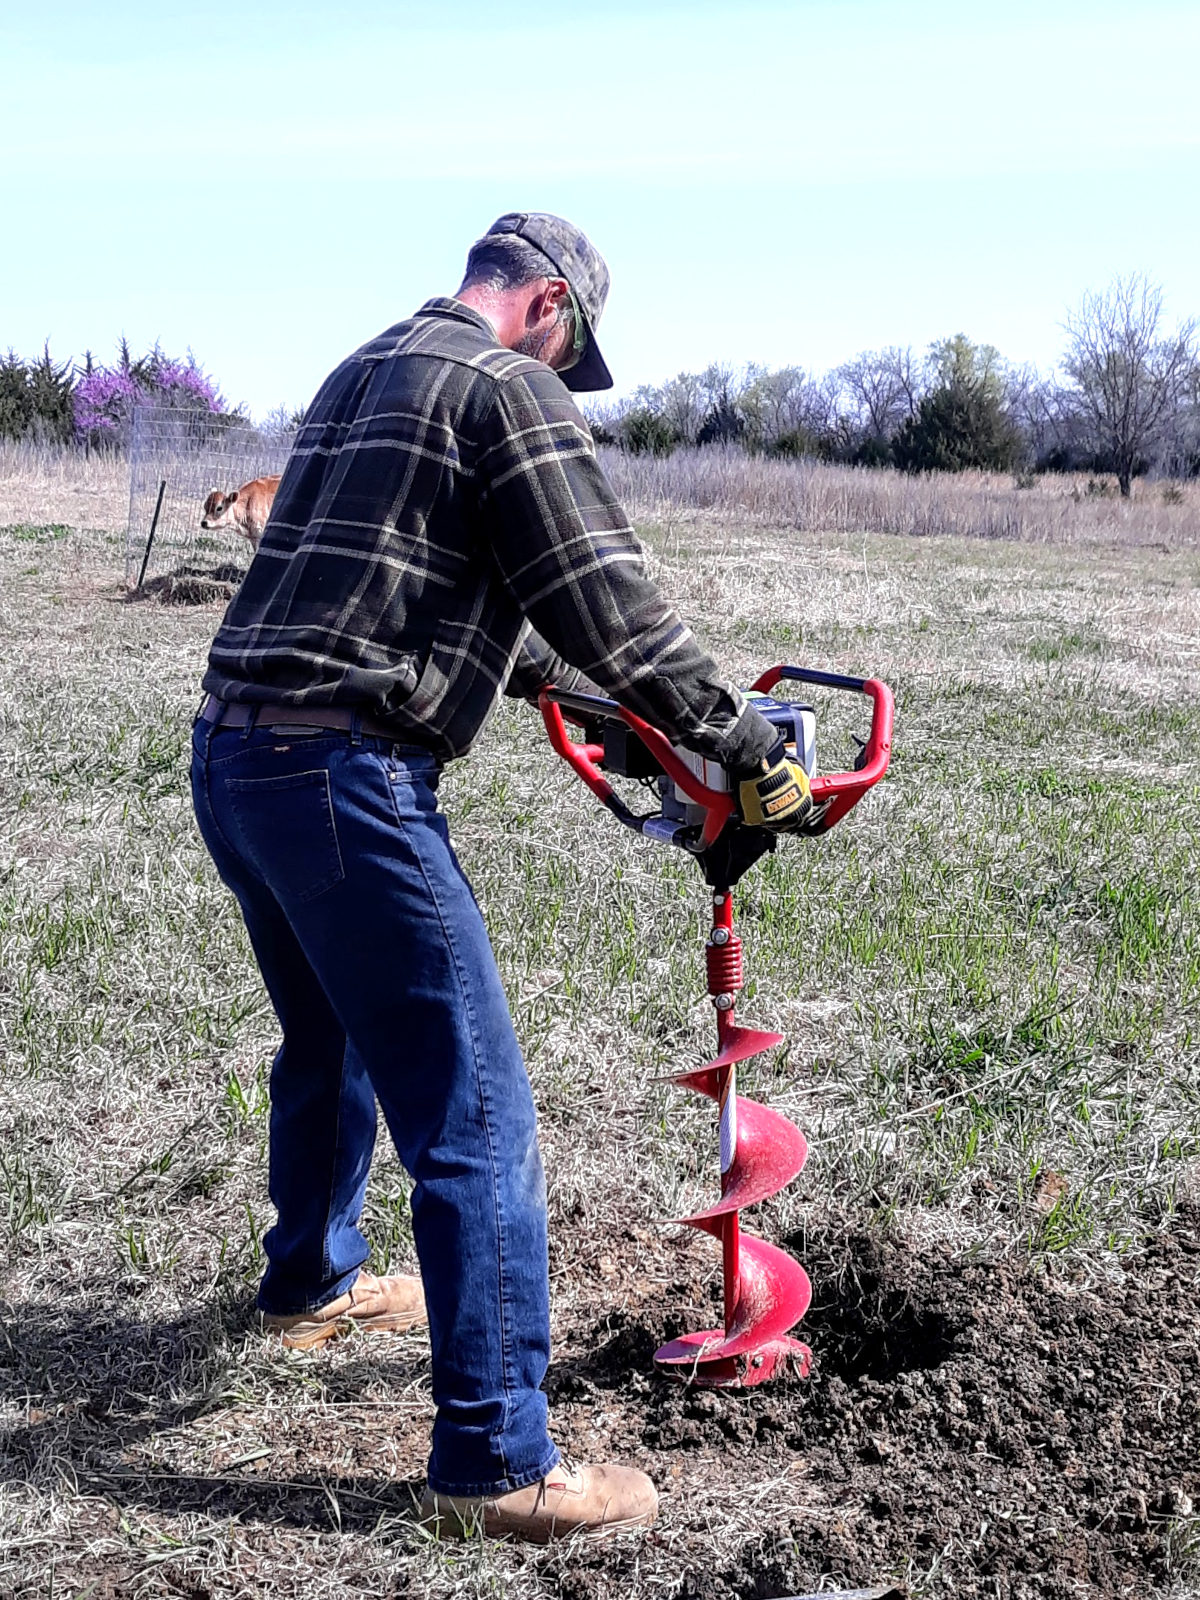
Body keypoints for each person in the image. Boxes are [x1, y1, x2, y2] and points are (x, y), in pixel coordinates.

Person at [190, 212, 812, 1543]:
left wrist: (583, 702)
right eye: (572, 337)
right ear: (544, 304)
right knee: (477, 1115)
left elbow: (404, 584)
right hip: (343, 776)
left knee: (331, 1034)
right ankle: (496, 1461)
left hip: (236, 758)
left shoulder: (363, 372)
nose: (567, 361)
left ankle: (310, 1282)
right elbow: (605, 595)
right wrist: (742, 739)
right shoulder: (509, 388)